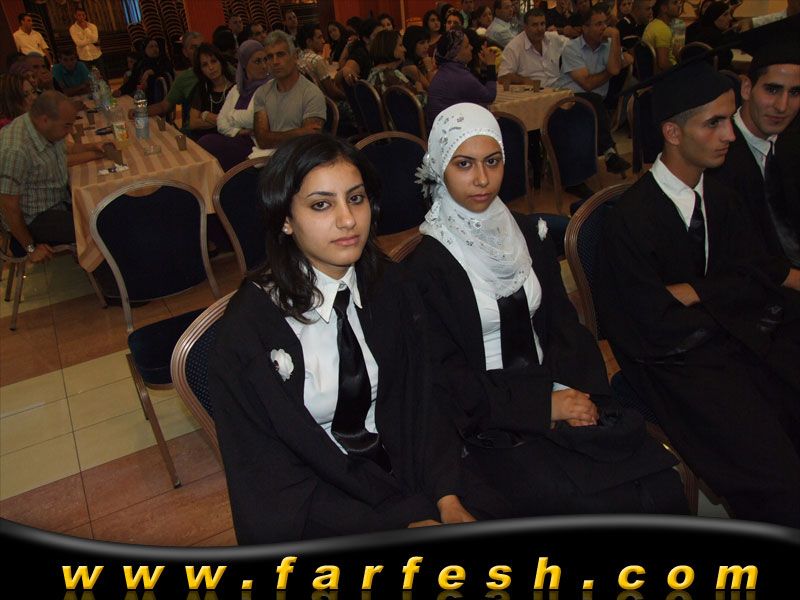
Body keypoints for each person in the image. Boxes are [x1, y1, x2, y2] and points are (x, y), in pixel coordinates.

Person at [406, 102, 687, 519]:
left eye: (493, 161)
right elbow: (445, 378)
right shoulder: (425, 267)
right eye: (464, 164)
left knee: (658, 484)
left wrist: (576, 393)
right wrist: (542, 407)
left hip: (554, 385)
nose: (482, 179)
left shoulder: (524, 232)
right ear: (440, 168)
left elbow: (562, 324)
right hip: (489, 419)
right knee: (589, 505)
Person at [208, 133, 482, 543]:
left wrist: (447, 497)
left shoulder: (392, 287)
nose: (348, 220)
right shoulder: (247, 333)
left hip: (408, 475)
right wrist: (394, 526)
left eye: (355, 199)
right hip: (324, 507)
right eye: (321, 205)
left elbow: (427, 400)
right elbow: (268, 478)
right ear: (285, 219)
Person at [595, 60, 800, 527]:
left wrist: (697, 292)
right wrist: (723, 302)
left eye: (729, 120)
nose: (730, 135)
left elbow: (754, 277)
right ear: (672, 132)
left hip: (731, 341)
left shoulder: (722, 197)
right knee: (775, 473)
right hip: (674, 365)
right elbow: (645, 322)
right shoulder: (630, 221)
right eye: (714, 123)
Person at [707, 40, 800, 270]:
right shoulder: (714, 159)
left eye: (795, 92)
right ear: (746, 88)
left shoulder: (791, 145)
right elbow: (732, 258)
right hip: (756, 281)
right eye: (772, 89)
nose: (782, 106)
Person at [0, 91, 109, 262]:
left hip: (57, 200)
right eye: (67, 126)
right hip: (33, 218)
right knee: (98, 227)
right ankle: (105, 272)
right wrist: (30, 248)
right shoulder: (15, 149)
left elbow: (67, 148)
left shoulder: (42, 127)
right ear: (45, 120)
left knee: (106, 208)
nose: (70, 130)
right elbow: (8, 207)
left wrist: (94, 147)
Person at [555, 5, 633, 182]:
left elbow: (615, 68)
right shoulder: (571, 48)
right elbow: (588, 84)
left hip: (596, 103)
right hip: (568, 101)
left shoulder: (608, 46)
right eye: (598, 24)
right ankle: (609, 153)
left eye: (605, 23)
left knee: (593, 102)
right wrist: (612, 68)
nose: (604, 28)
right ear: (585, 28)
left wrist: (615, 36)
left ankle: (609, 154)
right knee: (591, 100)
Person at [198, 40, 269, 171]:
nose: (264, 66)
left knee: (207, 144)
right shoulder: (237, 89)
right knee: (205, 144)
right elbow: (221, 123)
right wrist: (239, 131)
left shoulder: (271, 87)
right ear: (244, 65)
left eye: (265, 59)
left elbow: (254, 119)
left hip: (258, 145)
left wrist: (230, 116)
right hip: (237, 138)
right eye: (257, 61)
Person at [252, 31, 326, 153]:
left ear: (295, 56)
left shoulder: (312, 94)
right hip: (268, 157)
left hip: (300, 157)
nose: (275, 62)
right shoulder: (262, 92)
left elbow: (309, 141)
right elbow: (262, 140)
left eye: (280, 54)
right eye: (270, 57)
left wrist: (273, 137)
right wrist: (298, 132)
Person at [426, 29, 497, 126]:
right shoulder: (459, 75)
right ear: (455, 55)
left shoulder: (446, 69)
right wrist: (491, 65)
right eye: (466, 46)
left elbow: (480, 91)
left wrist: (485, 68)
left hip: (441, 126)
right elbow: (489, 97)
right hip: (450, 130)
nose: (471, 48)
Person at [499, 8, 568, 88]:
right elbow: (502, 77)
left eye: (542, 24)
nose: (540, 29)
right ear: (525, 27)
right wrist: (523, 80)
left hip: (559, 88)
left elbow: (574, 46)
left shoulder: (552, 38)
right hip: (534, 91)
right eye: (535, 25)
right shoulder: (514, 47)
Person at [187, 43, 234, 138]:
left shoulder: (236, 88)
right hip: (202, 139)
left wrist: (205, 115)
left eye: (214, 61)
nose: (211, 67)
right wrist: (222, 121)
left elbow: (235, 122)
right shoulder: (201, 88)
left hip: (228, 139)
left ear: (221, 62)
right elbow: (193, 123)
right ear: (201, 70)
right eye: (205, 65)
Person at [367, 29, 424, 100]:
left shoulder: (374, 71)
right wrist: (420, 90)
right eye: (400, 45)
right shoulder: (393, 76)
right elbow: (417, 102)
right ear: (389, 48)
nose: (405, 49)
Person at [117, 36, 174, 103]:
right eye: (151, 47)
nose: (155, 49)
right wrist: (120, 91)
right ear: (145, 50)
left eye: (156, 46)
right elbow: (132, 82)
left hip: (158, 100)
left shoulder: (163, 60)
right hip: (141, 98)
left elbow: (167, 70)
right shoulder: (140, 63)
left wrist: (149, 72)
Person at [297, 23, 345, 100]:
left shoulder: (299, 58)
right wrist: (347, 98)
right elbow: (332, 92)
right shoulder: (317, 59)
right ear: (309, 42)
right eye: (319, 37)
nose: (323, 41)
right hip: (325, 103)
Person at [685, 2, 735, 69]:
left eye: (730, 14)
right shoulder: (714, 36)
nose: (730, 18)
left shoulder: (702, 31)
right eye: (725, 15)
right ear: (714, 17)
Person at [338, 19, 382, 86]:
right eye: (378, 35)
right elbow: (346, 71)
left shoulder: (378, 52)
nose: (382, 38)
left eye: (383, 34)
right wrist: (347, 71)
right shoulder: (360, 53)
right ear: (366, 39)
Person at [642, 0, 682, 72]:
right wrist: (679, 71)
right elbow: (663, 64)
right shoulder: (662, 29)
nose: (679, 5)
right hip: (668, 76)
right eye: (675, 3)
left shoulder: (654, 24)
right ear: (664, 8)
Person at [69, 7, 105, 78]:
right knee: (88, 78)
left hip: (96, 54)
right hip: (84, 57)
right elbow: (78, 43)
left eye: (83, 15)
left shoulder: (92, 26)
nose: (81, 17)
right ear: (75, 16)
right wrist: (90, 40)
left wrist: (86, 29)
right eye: (79, 15)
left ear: (85, 16)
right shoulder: (72, 28)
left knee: (102, 76)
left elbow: (95, 40)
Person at [402, 26, 437, 90]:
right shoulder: (410, 66)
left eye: (427, 42)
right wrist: (429, 68)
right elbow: (433, 89)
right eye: (422, 43)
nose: (426, 46)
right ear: (412, 44)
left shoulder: (419, 61)